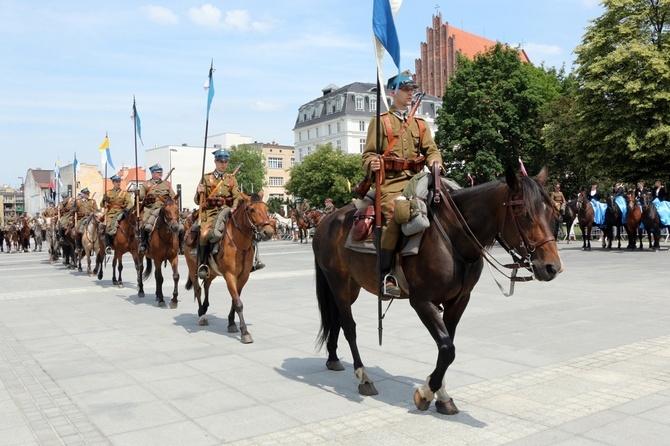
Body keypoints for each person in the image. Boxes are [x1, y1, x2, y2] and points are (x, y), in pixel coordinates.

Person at [361, 70, 443, 298]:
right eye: (406, 89)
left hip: (418, 180)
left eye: (412, 90)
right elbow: (367, 155)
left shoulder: (419, 124)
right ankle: (386, 274)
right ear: (392, 92)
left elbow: (431, 150)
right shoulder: (380, 122)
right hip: (391, 183)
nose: (410, 94)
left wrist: (435, 163)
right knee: (398, 213)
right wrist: (373, 163)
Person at [193, 149, 242, 279]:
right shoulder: (206, 178)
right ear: (215, 161)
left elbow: (237, 196)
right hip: (210, 212)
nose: (223, 164)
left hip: (227, 211)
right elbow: (197, 200)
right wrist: (199, 192)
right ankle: (203, 264)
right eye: (221, 161)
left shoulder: (231, 179)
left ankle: (251, 261)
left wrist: (235, 206)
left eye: (226, 161)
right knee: (204, 233)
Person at [138, 164, 178, 253]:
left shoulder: (167, 184)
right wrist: (137, 194)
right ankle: (144, 244)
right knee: (144, 222)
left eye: (161, 172)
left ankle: (181, 244)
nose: (160, 174)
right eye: (157, 172)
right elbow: (141, 198)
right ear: (152, 173)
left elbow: (173, 196)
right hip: (150, 208)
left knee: (179, 222)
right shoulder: (146, 184)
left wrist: (172, 200)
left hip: (165, 208)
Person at [101, 175, 134, 254]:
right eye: (116, 182)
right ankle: (108, 245)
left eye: (119, 181)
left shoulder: (124, 193)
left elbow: (130, 203)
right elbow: (102, 205)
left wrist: (127, 208)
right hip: (111, 213)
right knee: (108, 225)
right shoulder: (108, 192)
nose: (118, 183)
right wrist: (103, 200)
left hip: (121, 212)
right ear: (113, 182)